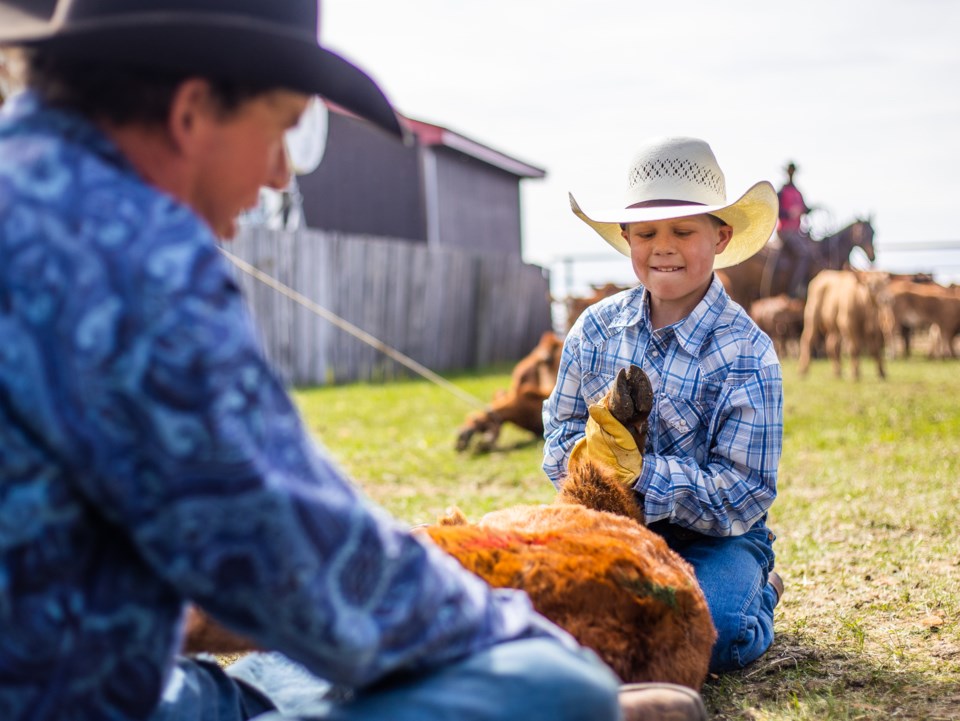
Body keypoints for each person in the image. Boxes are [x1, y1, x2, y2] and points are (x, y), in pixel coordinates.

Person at [0, 2, 702, 720]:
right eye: (282, 133)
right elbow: (284, 544)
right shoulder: (135, 253)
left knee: (226, 682)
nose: (279, 176)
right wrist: (511, 635)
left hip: (66, 662)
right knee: (554, 683)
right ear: (191, 112)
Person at [546, 136, 785, 675]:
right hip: (613, 523)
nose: (664, 247)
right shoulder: (595, 330)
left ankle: (759, 595)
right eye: (647, 233)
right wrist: (591, 463)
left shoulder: (747, 352)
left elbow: (746, 492)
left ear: (721, 237)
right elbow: (557, 432)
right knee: (561, 613)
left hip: (716, 539)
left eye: (684, 231)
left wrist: (642, 476)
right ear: (626, 237)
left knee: (712, 634)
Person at [777, 161, 816, 299]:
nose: (791, 174)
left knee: (814, 252)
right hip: (785, 232)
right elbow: (776, 211)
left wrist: (811, 209)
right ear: (787, 173)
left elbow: (804, 209)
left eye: (793, 172)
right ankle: (794, 290)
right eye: (790, 171)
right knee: (803, 254)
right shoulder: (781, 192)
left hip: (798, 232)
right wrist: (789, 214)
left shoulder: (798, 193)